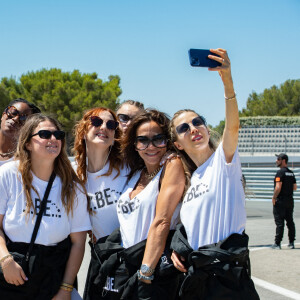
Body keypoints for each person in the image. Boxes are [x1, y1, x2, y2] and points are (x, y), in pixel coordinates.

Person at [169, 48, 259, 300]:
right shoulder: (191, 180)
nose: (193, 128)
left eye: (198, 122)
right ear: (177, 143)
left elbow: (233, 126)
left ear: (207, 128)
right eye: (184, 128)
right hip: (197, 282)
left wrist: (227, 81)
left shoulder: (223, 161)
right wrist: (178, 250)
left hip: (228, 281)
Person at [94, 109, 186, 299]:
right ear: (134, 145)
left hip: (152, 270)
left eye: (158, 139)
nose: (150, 146)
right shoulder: (135, 173)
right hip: (128, 267)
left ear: (167, 141)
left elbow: (162, 221)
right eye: (142, 140)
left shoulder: (172, 164)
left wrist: (145, 273)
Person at [0, 114, 91, 300]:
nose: (53, 139)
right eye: (45, 134)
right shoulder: (8, 174)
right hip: (12, 274)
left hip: (54, 276)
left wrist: (66, 289)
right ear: (27, 143)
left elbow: (78, 242)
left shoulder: (73, 187)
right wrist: (5, 260)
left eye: (58, 135)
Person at [72, 107, 129, 300]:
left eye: (111, 125)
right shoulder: (73, 174)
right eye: (97, 121)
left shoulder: (128, 167)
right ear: (83, 130)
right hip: (101, 257)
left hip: (131, 256)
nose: (104, 127)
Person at [0, 98, 40, 166]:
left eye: (24, 119)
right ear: (3, 115)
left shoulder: (26, 162)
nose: (15, 119)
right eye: (13, 113)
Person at [271, 153, 297, 250]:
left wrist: (274, 197)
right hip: (290, 201)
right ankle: (291, 242)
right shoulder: (291, 173)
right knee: (290, 222)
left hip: (280, 201)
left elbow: (278, 187)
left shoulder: (280, 173)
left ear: (283, 160)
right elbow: (295, 188)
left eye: (278, 159)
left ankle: (277, 243)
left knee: (279, 222)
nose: (276, 161)